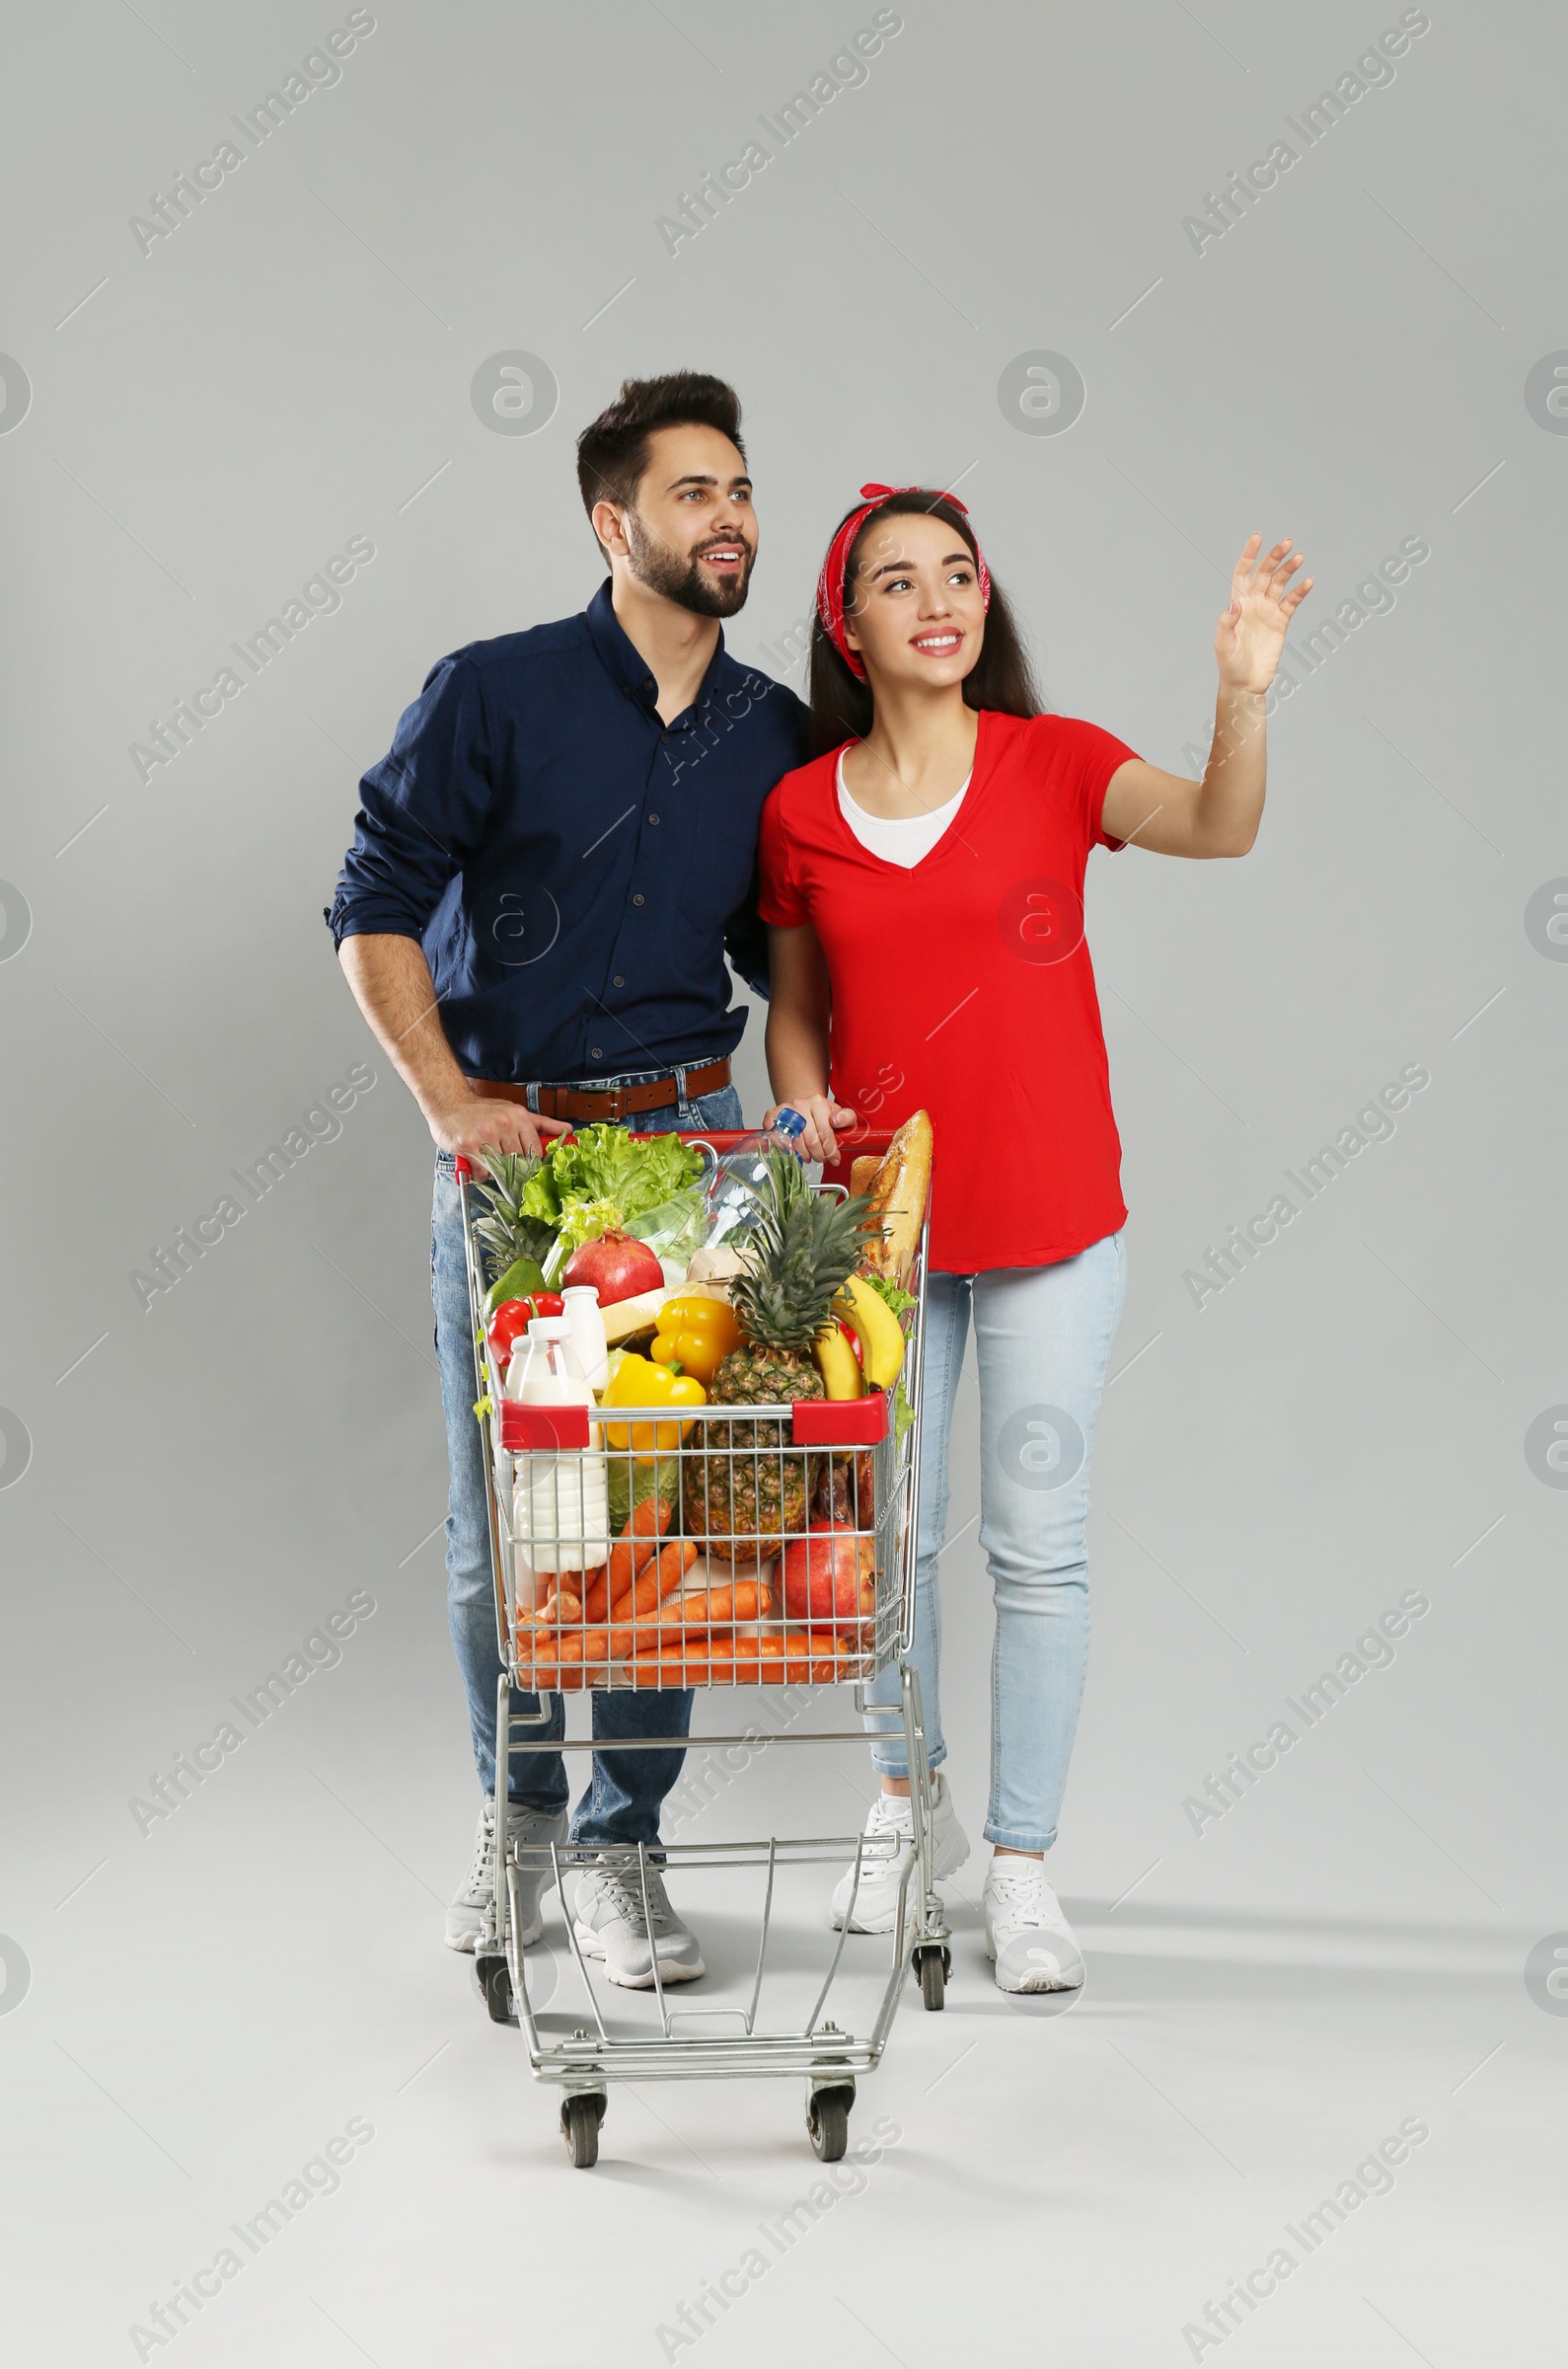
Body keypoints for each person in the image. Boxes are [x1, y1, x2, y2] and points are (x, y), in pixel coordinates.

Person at [758, 484, 1311, 1991]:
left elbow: (1219, 826)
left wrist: (1239, 695)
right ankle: (902, 1804)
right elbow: (795, 1016)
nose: (939, 599)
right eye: (898, 581)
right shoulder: (800, 809)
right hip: (889, 1240)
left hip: (1056, 1228)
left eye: (959, 574)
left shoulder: (1055, 767)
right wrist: (803, 1111)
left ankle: (1019, 1868)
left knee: (1036, 1553)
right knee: (885, 1545)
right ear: (848, 628)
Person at [327, 373, 807, 1987]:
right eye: (694, 492)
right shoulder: (497, 692)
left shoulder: (774, 733)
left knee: (657, 1520)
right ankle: (518, 1815)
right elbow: (373, 902)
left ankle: (623, 1846)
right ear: (614, 523)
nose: (729, 514)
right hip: (520, 1163)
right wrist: (448, 1100)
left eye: (739, 487)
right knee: (511, 1528)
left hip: (690, 1149)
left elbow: (786, 948)